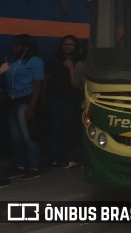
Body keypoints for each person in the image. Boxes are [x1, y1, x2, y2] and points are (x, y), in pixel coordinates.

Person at [1, 34, 45, 181]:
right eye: (14, 45)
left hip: (25, 102)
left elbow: (38, 85)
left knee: (28, 136)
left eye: (17, 45)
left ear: (26, 47)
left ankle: (33, 167)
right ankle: (20, 166)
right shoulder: (14, 62)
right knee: (15, 136)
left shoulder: (35, 61)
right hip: (12, 102)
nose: (14, 48)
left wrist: (32, 107)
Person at [45, 35, 85, 169]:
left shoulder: (79, 61)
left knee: (66, 127)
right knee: (55, 126)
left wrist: (70, 68)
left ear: (75, 46)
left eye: (70, 44)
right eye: (65, 44)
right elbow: (47, 78)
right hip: (55, 96)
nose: (67, 46)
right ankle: (53, 158)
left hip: (71, 97)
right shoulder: (55, 59)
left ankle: (61, 157)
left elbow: (76, 84)